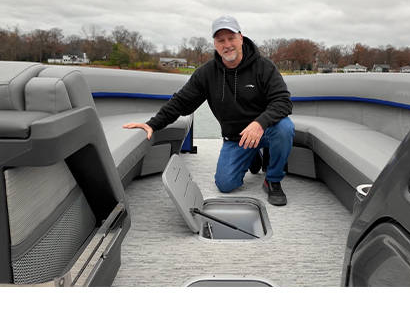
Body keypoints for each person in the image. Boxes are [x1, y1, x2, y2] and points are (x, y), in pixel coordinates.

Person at [123, 16, 294, 205]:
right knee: (225, 184)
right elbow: (181, 102)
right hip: (236, 138)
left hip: (264, 130)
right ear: (215, 44)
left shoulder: (264, 66)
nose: (227, 45)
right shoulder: (207, 73)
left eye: (231, 38)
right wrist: (152, 124)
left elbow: (283, 101)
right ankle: (253, 154)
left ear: (241, 38)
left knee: (284, 128)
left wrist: (259, 124)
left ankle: (273, 180)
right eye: (221, 40)